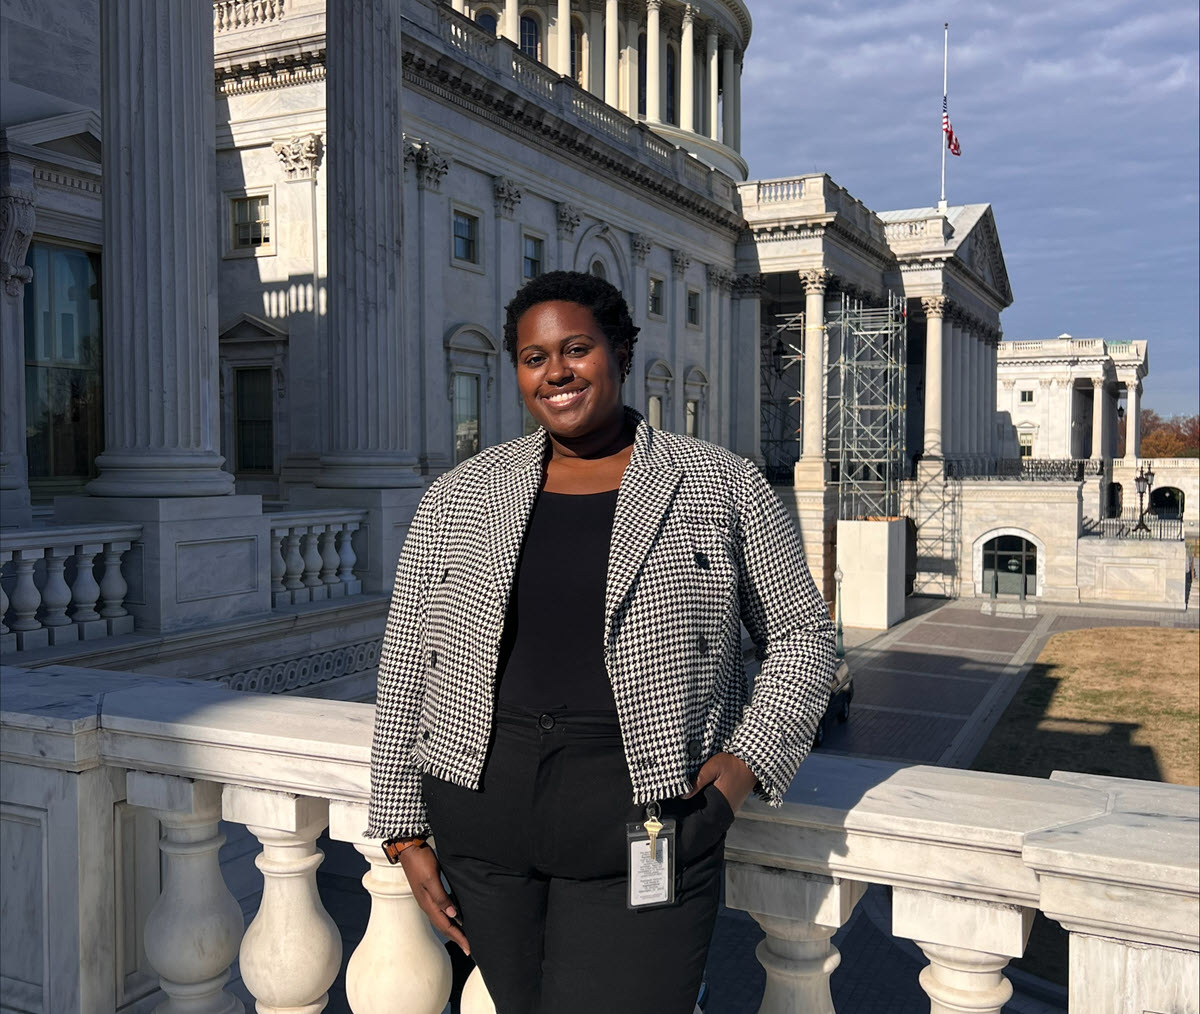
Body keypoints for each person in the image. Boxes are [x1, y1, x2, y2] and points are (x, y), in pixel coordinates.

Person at [367, 270, 835, 1013]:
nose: (555, 371)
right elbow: (405, 663)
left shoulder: (721, 483)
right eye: (533, 357)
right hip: (483, 819)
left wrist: (746, 765)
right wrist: (401, 831)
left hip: (645, 810)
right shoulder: (462, 492)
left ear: (619, 351)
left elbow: (805, 638)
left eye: (576, 348)